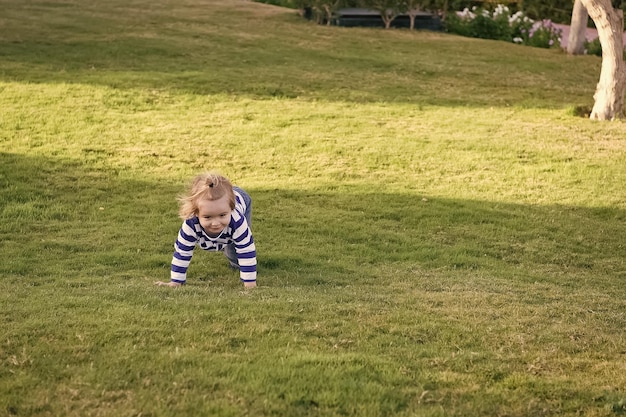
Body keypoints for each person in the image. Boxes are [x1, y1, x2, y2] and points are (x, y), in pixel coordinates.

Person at [155, 173, 257, 288]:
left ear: (231, 209)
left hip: (241, 198)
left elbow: (246, 250)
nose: (215, 223)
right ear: (196, 213)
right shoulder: (190, 224)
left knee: (235, 254)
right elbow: (182, 252)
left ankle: (235, 262)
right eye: (208, 217)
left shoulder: (237, 221)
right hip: (220, 197)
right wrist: (176, 282)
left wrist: (250, 285)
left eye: (222, 215)